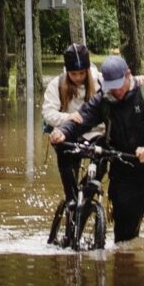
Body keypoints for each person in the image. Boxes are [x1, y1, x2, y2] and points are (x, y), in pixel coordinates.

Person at [49, 53, 144, 241]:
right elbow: (82, 118)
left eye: (119, 86)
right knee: (124, 242)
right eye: (111, 88)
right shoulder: (103, 99)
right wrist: (63, 132)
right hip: (124, 176)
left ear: (128, 75)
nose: (116, 92)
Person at [40, 45, 103, 201]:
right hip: (67, 136)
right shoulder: (57, 84)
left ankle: (86, 198)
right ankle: (71, 201)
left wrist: (139, 80)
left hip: (96, 133)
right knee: (67, 166)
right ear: (67, 71)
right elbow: (48, 113)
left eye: (82, 73)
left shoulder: (100, 81)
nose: (79, 77)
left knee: (103, 162)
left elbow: (121, 84)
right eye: (74, 74)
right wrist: (68, 118)